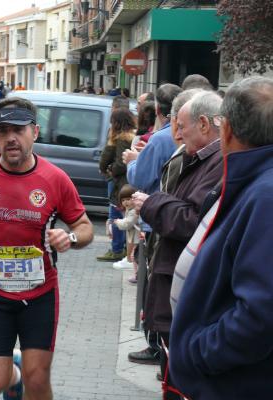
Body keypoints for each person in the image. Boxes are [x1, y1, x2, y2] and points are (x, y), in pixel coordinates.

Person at [0, 97, 94, 400]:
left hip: (40, 294)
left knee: (37, 379)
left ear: (34, 132)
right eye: (2, 131)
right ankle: (13, 375)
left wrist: (71, 239)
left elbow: (85, 226)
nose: (10, 138)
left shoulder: (55, 179)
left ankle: (25, 376)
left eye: (18, 130)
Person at [169, 76, 273, 400]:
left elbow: (260, 314)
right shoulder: (254, 182)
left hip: (232, 384)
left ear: (225, 130)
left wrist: (198, 353)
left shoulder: (265, 195)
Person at [133, 91, 223, 394]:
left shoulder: (217, 162)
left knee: (181, 379)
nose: (177, 134)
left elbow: (192, 222)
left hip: (186, 292)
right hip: (175, 283)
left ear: (204, 124)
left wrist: (151, 203)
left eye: (182, 126)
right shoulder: (198, 158)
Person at [122, 83, 181, 366]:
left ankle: (157, 345)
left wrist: (134, 160)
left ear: (159, 109)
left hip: (157, 218)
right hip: (172, 218)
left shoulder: (160, 139)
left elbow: (141, 178)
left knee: (154, 285)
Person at [98, 108, 136, 264]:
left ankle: (117, 250)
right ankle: (123, 250)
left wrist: (110, 169)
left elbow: (121, 164)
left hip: (121, 184)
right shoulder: (134, 135)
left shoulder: (121, 139)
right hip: (129, 182)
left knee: (116, 215)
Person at [113, 184, 140, 281]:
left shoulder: (134, 211)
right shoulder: (130, 209)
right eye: (123, 200)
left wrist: (117, 222)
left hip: (137, 238)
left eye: (128, 199)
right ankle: (137, 274)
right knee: (134, 256)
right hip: (133, 237)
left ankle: (138, 275)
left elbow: (127, 223)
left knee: (135, 256)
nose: (126, 202)